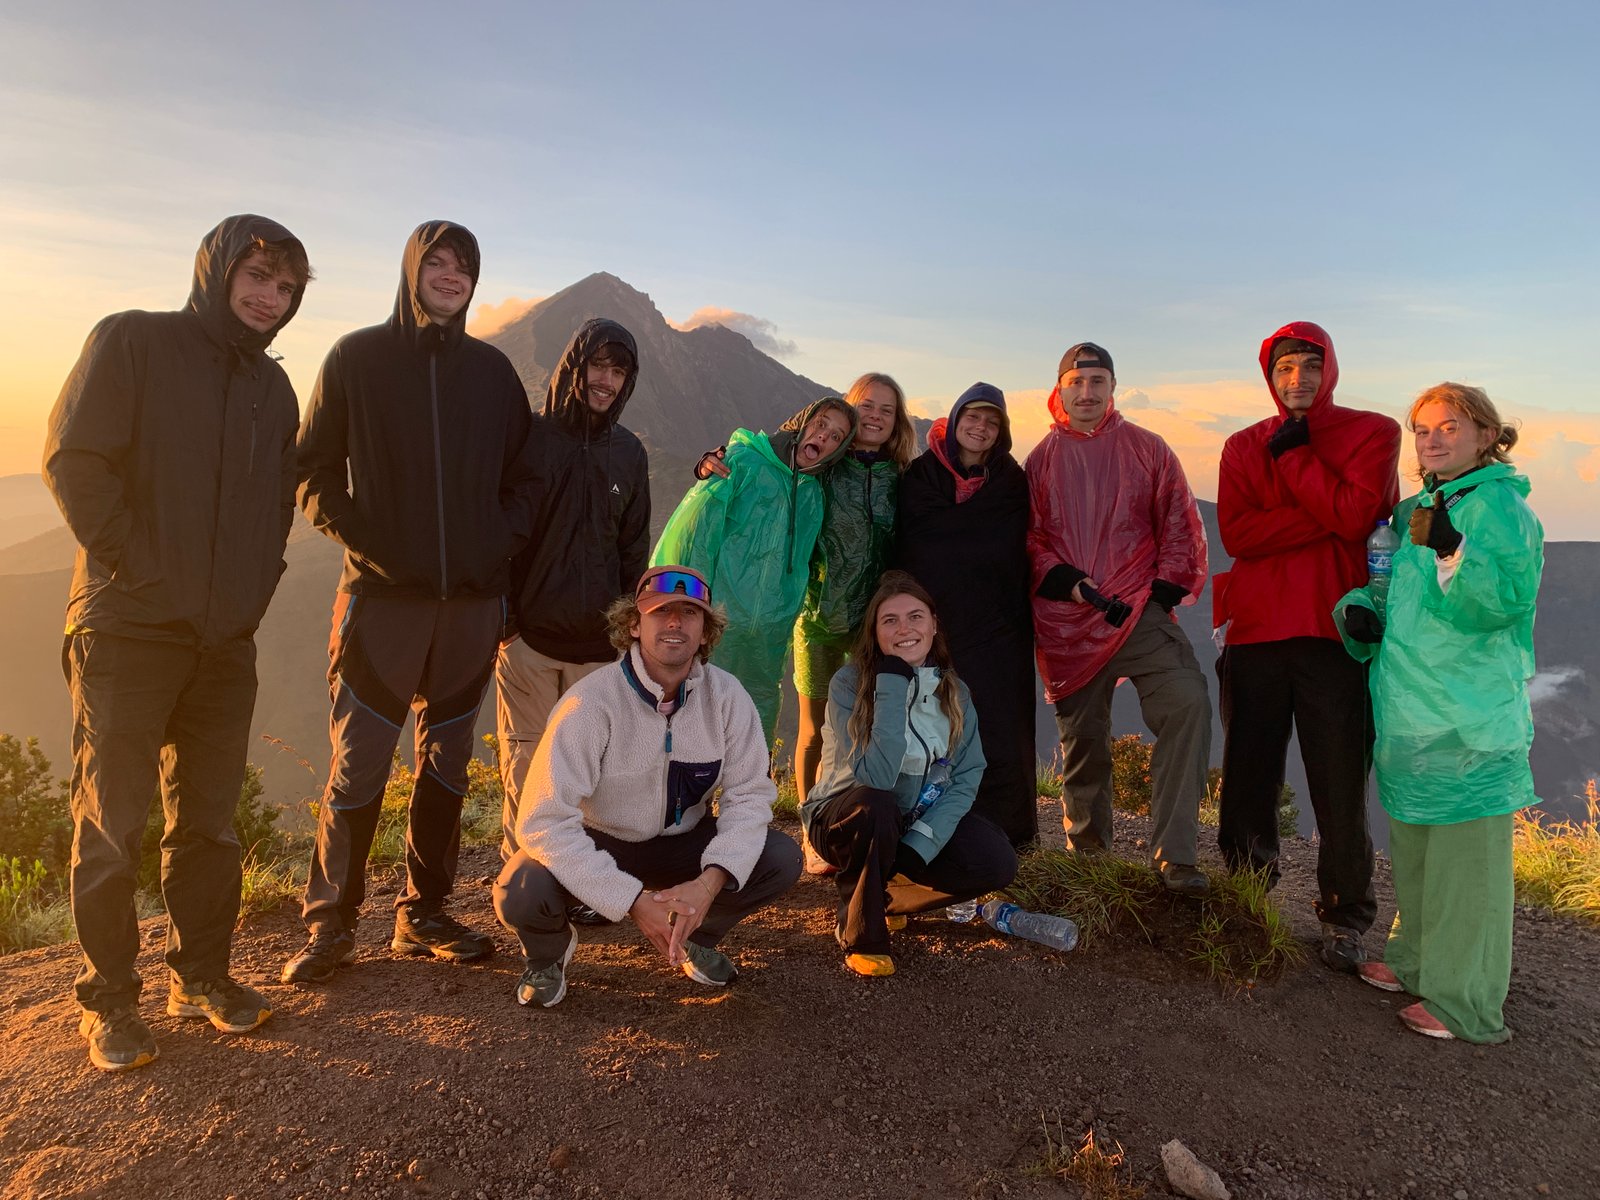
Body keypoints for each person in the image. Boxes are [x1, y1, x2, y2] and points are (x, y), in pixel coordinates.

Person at [42, 215, 312, 1072]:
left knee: (208, 824)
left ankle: (199, 976)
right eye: (258, 276)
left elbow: (278, 501)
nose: (270, 297)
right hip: (126, 627)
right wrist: (141, 567)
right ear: (217, 270)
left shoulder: (275, 389)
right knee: (113, 822)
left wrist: (254, 588)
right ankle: (110, 1001)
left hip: (223, 641)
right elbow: (75, 459)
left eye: (286, 287)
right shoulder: (133, 341)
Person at [284, 221, 536, 984]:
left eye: (464, 266)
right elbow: (312, 472)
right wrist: (373, 545)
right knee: (358, 766)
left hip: (469, 609)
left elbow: (526, 481)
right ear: (411, 270)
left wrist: (494, 548)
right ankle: (331, 925)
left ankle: (423, 914)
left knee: (447, 765)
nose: (452, 275)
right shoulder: (356, 358)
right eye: (438, 262)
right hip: (382, 603)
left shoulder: (493, 373)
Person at [494, 566, 803, 1007]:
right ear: (634, 625)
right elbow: (543, 819)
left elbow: (749, 795)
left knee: (779, 857)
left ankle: (694, 934)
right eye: (660, 612)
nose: (675, 622)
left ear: (705, 632)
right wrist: (630, 900)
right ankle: (548, 953)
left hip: (684, 844)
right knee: (520, 887)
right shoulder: (590, 702)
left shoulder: (728, 697)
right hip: (605, 842)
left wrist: (709, 883)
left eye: (689, 613)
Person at [1336, 383, 1541, 1043]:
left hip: (1468, 716)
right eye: (1423, 430)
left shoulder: (1500, 509)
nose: (1433, 440)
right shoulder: (1416, 508)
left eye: (1450, 427)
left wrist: (1454, 548)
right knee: (1419, 852)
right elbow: (1391, 591)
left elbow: (1504, 603)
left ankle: (1465, 1001)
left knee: (1468, 866)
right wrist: (1360, 612)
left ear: (1487, 435)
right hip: (1411, 708)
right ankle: (1418, 962)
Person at [1214, 322, 1400, 972]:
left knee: (1339, 781)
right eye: (1285, 368)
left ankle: (1345, 917)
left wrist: (1295, 460)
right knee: (1248, 776)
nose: (1298, 380)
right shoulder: (1242, 444)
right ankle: (1245, 895)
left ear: (1331, 370)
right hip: (1257, 631)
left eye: (1311, 367)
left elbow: (1358, 519)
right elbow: (1238, 534)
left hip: (1334, 634)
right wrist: (1331, 512)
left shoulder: (1374, 432)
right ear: (1270, 376)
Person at [1026, 343, 1211, 894]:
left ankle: (1176, 857)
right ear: (1060, 390)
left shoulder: (1148, 449)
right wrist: (1067, 582)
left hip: (1137, 615)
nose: (1087, 392)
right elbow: (1029, 538)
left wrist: (1162, 589)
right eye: (1076, 382)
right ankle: (1089, 861)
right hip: (1068, 623)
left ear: (1112, 387)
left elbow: (1179, 519)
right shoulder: (1040, 460)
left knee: (1187, 702)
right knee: (1084, 744)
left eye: (1097, 381)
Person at [802, 571, 1017, 977]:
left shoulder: (954, 691)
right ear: (875, 633)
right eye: (890, 620)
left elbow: (967, 774)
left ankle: (885, 896)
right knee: (877, 805)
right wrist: (891, 684)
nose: (905, 629)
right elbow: (877, 777)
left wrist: (922, 841)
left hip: (909, 820)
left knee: (995, 861)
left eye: (915, 617)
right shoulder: (850, 684)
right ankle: (861, 933)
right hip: (843, 819)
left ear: (933, 625)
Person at [497, 318, 648, 860]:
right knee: (527, 766)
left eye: (618, 372)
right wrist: (507, 628)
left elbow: (633, 551)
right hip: (529, 644)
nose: (606, 380)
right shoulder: (530, 439)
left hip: (599, 648)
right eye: (597, 366)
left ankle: (580, 878)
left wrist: (629, 634)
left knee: (591, 771)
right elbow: (499, 536)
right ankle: (524, 878)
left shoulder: (629, 452)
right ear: (574, 368)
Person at [652, 398, 857, 745]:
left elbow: (803, 567)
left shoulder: (813, 496)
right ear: (802, 423)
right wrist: (689, 609)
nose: (824, 436)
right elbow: (694, 536)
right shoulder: (742, 463)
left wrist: (783, 617)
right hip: (715, 623)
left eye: (836, 436)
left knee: (752, 724)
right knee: (691, 716)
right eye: (821, 424)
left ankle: (750, 780)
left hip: (766, 639)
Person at [894, 383, 1038, 849]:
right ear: (956, 420)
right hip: (932, 621)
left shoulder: (1010, 481)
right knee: (933, 724)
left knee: (1000, 724)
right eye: (973, 417)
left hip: (998, 623)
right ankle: (926, 827)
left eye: (992, 422)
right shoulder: (921, 475)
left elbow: (1009, 549)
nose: (981, 427)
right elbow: (916, 544)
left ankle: (1007, 832)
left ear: (1003, 432)